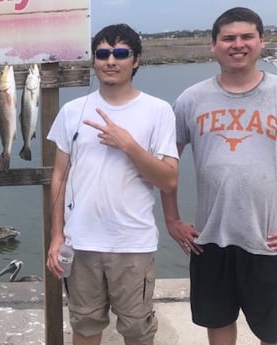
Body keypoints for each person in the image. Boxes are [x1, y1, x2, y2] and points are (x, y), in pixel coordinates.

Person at [160, 7, 277, 345]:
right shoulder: (190, 100)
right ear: (214, 46)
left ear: (261, 42)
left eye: (247, 36)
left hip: (270, 240)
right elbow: (166, 166)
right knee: (218, 325)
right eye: (229, 38)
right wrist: (172, 219)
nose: (238, 44)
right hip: (209, 240)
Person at [45, 24, 179, 345]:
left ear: (136, 60)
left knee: (137, 331)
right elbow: (60, 176)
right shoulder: (72, 111)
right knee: (85, 326)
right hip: (81, 244)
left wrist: (129, 145)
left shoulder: (158, 111)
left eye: (120, 53)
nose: (110, 61)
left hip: (133, 244)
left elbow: (169, 179)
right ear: (94, 60)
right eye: (103, 53)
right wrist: (56, 236)